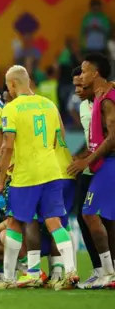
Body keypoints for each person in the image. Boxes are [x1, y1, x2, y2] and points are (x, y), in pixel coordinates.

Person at [0, 65, 77, 290]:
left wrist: (0, 182)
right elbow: (61, 138)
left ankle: (8, 278)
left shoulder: (11, 108)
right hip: (52, 171)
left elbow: (8, 147)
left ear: (11, 85)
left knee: (13, 223)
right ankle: (70, 271)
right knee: (54, 222)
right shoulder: (49, 104)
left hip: (25, 175)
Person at [68, 53, 115, 288]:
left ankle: (108, 273)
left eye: (85, 72)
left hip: (110, 162)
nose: (81, 75)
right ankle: (109, 272)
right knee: (106, 218)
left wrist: (87, 162)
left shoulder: (107, 98)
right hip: (103, 162)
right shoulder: (100, 96)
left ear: (95, 74)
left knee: (88, 212)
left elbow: (113, 137)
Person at [68, 67, 103, 288]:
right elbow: (91, 140)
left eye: (81, 85)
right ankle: (99, 269)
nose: (78, 90)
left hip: (104, 166)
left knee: (104, 219)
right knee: (82, 217)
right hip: (90, 168)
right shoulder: (82, 106)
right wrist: (79, 158)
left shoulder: (106, 102)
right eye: (75, 86)